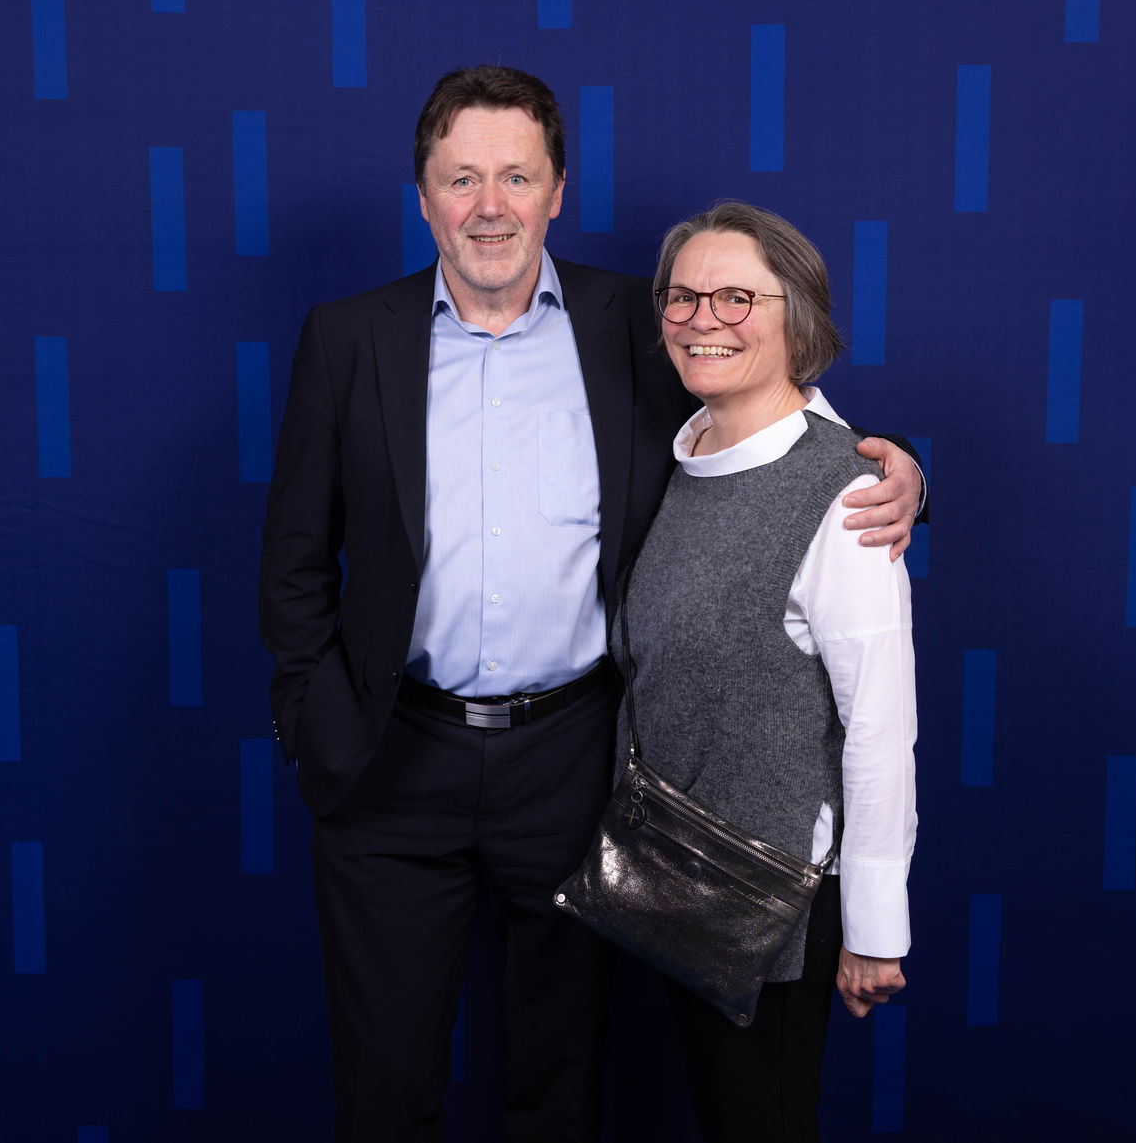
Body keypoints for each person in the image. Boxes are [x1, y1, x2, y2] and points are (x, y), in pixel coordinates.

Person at [256, 66, 925, 1142]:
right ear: (423, 196)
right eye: (462, 178)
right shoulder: (347, 338)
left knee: (562, 1084)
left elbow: (761, 415)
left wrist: (899, 477)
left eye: (517, 176)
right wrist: (313, 720)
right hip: (393, 764)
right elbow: (293, 558)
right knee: (383, 1088)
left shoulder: (637, 322)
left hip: (574, 764)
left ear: (557, 190)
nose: (490, 206)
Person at [615, 201, 917, 1141]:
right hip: (679, 875)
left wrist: (874, 928)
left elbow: (880, 725)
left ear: (799, 317)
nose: (702, 318)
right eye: (682, 296)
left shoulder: (849, 495)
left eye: (737, 297)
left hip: (776, 895)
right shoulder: (687, 454)